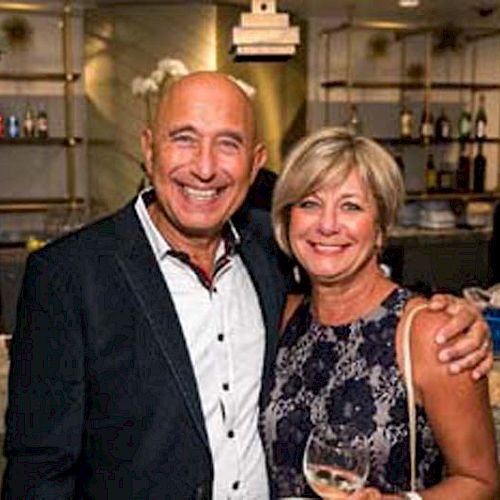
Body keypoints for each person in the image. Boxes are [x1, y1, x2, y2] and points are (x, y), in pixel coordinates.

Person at [2, 73, 492, 500]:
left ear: (256, 163)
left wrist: (454, 314)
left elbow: (359, 289)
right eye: (184, 139)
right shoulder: (68, 276)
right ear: (148, 148)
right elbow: (38, 469)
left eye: (228, 144)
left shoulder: (263, 256)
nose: (205, 167)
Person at [260, 126, 498, 499]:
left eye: (351, 206)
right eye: (309, 203)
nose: (326, 224)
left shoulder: (431, 333)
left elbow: (481, 483)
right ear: (287, 219)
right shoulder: (281, 316)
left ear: (381, 230)